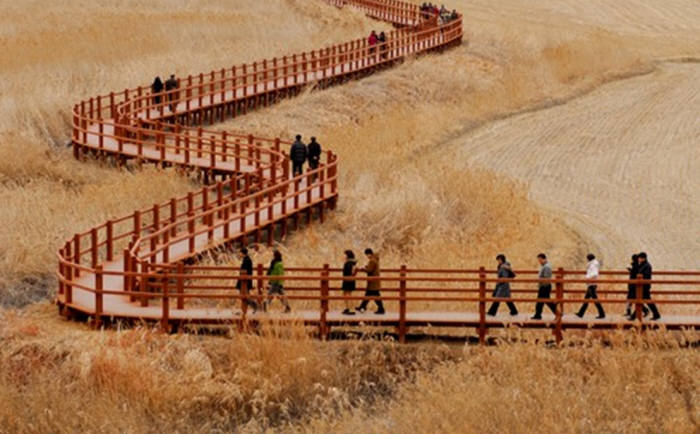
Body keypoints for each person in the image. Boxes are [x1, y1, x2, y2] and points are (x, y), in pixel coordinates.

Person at [575, 254, 605, 319]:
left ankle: (602, 314)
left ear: (589, 259)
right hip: (591, 284)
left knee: (595, 300)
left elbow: (594, 274)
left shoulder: (593, 265)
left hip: (592, 284)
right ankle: (580, 313)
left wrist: (587, 278)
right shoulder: (594, 264)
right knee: (587, 299)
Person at [356, 248, 385, 314]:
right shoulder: (375, 259)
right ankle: (362, 307)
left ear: (369, 254)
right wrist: (366, 267)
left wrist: (363, 269)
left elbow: (369, 270)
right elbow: (371, 268)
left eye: (367, 255)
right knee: (369, 294)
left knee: (374, 295)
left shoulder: (372, 260)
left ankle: (381, 309)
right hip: (374, 281)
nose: (367, 256)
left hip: (373, 281)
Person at [531, 253, 557, 320]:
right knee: (543, 301)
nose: (539, 261)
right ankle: (538, 314)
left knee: (542, 301)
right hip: (544, 286)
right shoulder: (544, 266)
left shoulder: (546, 267)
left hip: (545, 286)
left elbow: (546, 278)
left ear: (544, 259)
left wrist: (540, 282)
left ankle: (557, 312)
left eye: (540, 260)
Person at [637, 252, 660, 320]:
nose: (638, 259)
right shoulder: (643, 265)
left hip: (644, 286)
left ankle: (654, 313)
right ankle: (654, 313)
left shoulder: (647, 266)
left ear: (643, 258)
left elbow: (646, 276)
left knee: (646, 300)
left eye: (640, 258)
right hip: (642, 286)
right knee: (644, 300)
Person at [625, 254, 647, 318]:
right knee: (630, 298)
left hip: (633, 285)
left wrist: (630, 269)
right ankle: (629, 312)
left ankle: (645, 310)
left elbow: (634, 274)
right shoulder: (637, 265)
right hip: (633, 284)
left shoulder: (635, 266)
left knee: (632, 298)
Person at [236, 247, 258, 312]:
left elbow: (246, 271)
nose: (239, 254)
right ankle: (245, 309)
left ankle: (254, 305)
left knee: (243, 295)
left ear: (242, 253)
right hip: (244, 280)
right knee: (244, 295)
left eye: (240, 252)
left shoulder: (247, 260)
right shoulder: (246, 259)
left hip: (245, 281)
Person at [341, 250, 358, 315]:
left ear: (348, 255)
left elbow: (351, 272)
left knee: (348, 294)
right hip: (347, 280)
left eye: (344, 254)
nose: (343, 255)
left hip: (348, 280)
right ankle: (347, 308)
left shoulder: (349, 263)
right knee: (345, 294)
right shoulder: (350, 262)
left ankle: (351, 309)